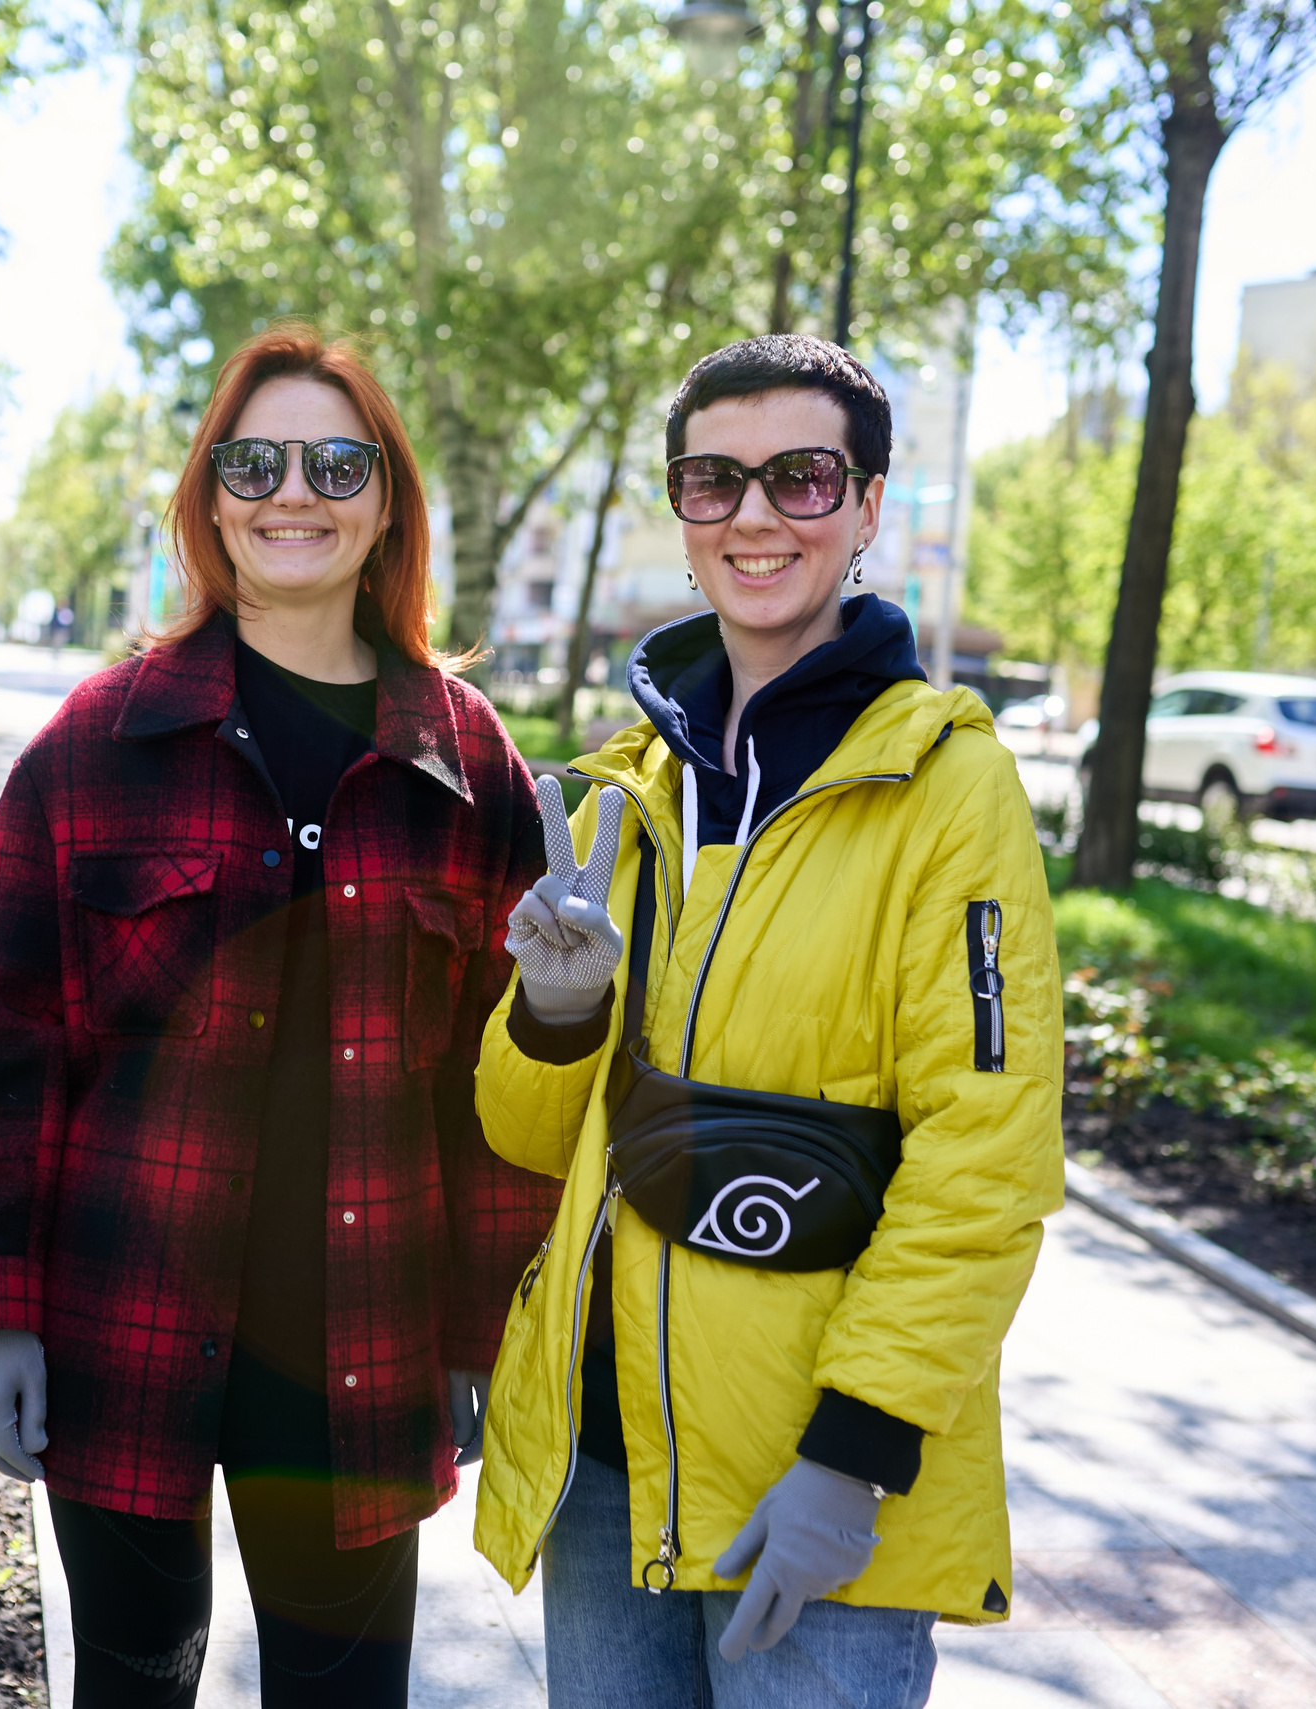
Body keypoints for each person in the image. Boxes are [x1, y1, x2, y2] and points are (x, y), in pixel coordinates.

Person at [0, 323, 561, 1709]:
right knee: (138, 1679)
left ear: (387, 502)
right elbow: (0, 1047)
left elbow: (494, 1099)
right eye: (255, 459)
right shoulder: (94, 747)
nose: (295, 491)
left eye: (339, 460)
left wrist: (478, 1335)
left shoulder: (468, 762)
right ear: (209, 495)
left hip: (364, 1338)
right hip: (122, 1323)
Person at [468, 335, 1062, 1707]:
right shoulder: (626, 793)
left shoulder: (946, 789)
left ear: (866, 508)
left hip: (812, 1481)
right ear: (679, 515)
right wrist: (557, 1016)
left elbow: (987, 1156)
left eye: (800, 478)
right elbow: (522, 1129)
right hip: (607, 1465)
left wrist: (853, 1457)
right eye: (712, 479)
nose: (752, 514)